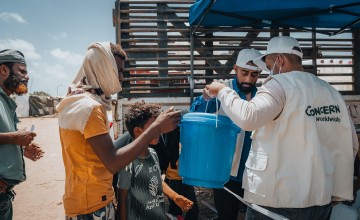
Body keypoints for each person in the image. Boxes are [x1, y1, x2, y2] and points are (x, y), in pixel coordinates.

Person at [204, 36, 359, 220]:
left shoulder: (279, 85)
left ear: (279, 60)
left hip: (277, 203)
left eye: (269, 67)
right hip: (322, 200)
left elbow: (248, 117)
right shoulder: (331, 92)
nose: (268, 73)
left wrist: (222, 90)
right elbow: (349, 145)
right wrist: (338, 190)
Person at [56, 42, 181, 220]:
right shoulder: (89, 108)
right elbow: (113, 162)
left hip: (85, 200)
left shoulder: (75, 101)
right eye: (119, 71)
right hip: (90, 206)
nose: (121, 78)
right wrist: (157, 127)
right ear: (102, 68)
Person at [190, 48, 262, 220]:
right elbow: (197, 113)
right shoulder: (222, 89)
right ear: (235, 68)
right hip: (226, 170)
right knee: (227, 215)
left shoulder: (262, 95)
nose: (248, 79)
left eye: (254, 75)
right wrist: (206, 98)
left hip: (253, 170)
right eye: (244, 73)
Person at [116, 101, 193, 220]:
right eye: (155, 127)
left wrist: (175, 196)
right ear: (138, 131)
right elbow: (122, 199)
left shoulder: (153, 154)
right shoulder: (128, 161)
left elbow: (157, 180)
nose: (160, 131)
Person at [0, 49, 44, 220]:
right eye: (22, 71)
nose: (27, 77)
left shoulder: (6, 101)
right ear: (4, 70)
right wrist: (14, 138)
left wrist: (21, 148)